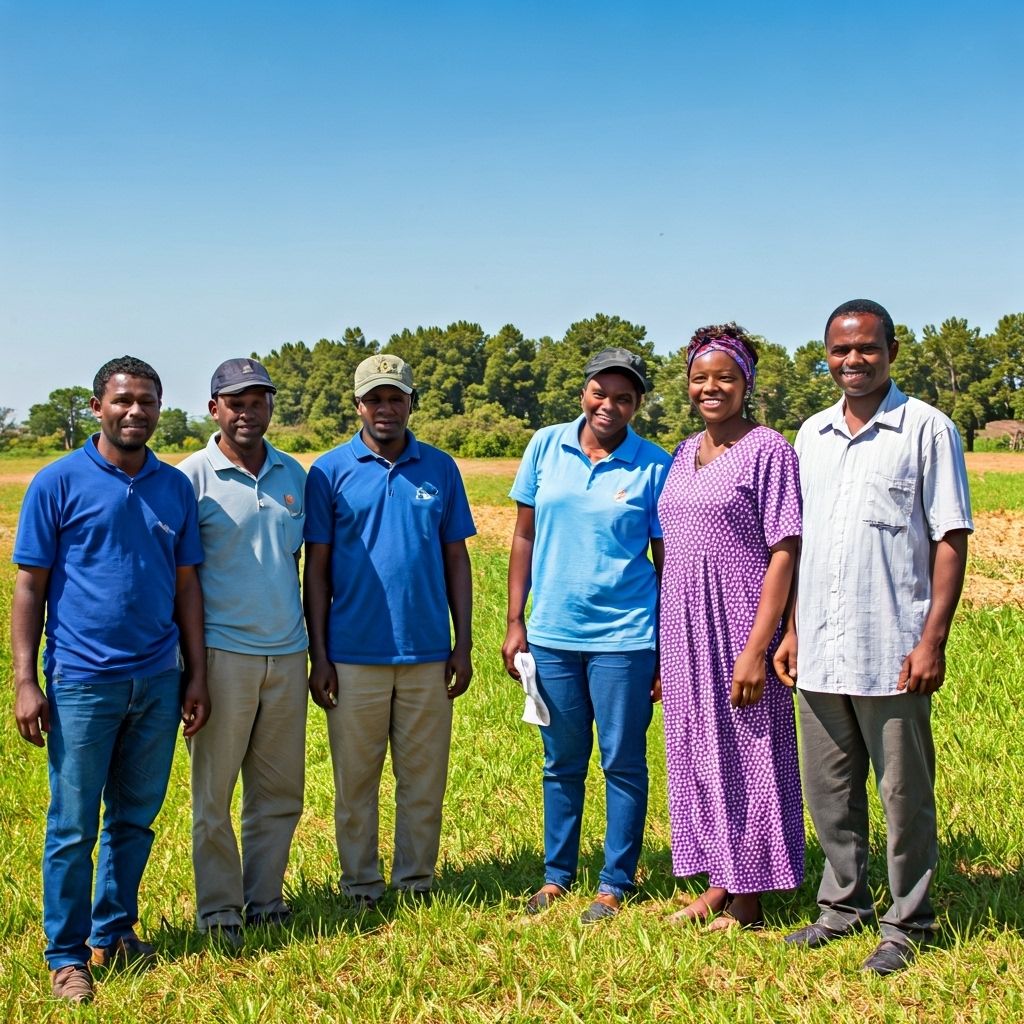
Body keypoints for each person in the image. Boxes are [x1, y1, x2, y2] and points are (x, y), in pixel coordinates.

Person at [775, 299, 972, 976]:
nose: (852, 360)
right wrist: (792, 630)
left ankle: (909, 921)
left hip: (892, 648)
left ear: (892, 351)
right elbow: (798, 544)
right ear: (826, 355)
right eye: (840, 350)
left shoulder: (926, 428)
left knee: (902, 795)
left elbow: (950, 537)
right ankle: (843, 906)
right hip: (820, 647)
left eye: (866, 348)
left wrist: (932, 639)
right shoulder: (812, 434)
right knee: (829, 791)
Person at [11, 356, 208, 1005]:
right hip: (81, 682)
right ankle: (67, 956)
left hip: (157, 678)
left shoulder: (172, 487)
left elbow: (187, 586)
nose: (135, 411)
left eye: (147, 401)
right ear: (97, 406)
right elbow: (30, 586)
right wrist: (25, 680)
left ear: (159, 409)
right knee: (72, 827)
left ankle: (114, 931)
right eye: (123, 400)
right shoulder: (56, 482)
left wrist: (195, 674)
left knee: (135, 818)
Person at [502, 347, 671, 924]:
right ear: (583, 393)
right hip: (552, 634)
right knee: (561, 761)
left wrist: (664, 647)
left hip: (625, 638)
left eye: (624, 398)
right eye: (601, 392)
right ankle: (556, 876)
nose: (609, 405)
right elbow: (524, 536)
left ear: (637, 404)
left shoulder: (654, 465)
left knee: (622, 761)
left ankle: (615, 882)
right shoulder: (545, 446)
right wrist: (516, 620)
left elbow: (665, 561)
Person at [303, 353, 475, 907]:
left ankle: (416, 881)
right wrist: (320, 655)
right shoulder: (329, 471)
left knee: (423, 780)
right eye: (374, 399)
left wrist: (463, 643)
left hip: (427, 653)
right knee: (356, 783)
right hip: (353, 655)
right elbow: (317, 570)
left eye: (395, 398)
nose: (385, 408)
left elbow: (456, 559)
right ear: (357, 405)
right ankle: (361, 884)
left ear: (411, 403)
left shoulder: (440, 468)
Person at [657, 324, 803, 931]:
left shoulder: (769, 449)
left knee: (747, 750)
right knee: (698, 750)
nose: (711, 388)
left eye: (725, 377)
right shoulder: (682, 452)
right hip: (683, 625)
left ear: (747, 383)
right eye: (700, 378)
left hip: (740, 620)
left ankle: (749, 898)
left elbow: (785, 550)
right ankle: (720, 880)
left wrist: (757, 648)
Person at [178, 358, 309, 947]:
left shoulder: (292, 473)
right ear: (215, 409)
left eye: (258, 402)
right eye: (235, 403)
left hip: (288, 654)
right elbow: (180, 580)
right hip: (220, 656)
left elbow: (298, 561)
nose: (247, 413)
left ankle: (266, 900)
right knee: (214, 796)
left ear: (271, 407)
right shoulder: (190, 479)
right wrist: (192, 670)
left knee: (279, 793)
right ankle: (220, 911)